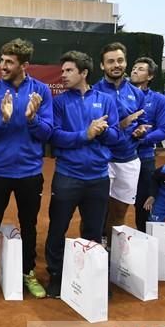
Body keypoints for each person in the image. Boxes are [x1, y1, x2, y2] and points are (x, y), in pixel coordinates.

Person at [0, 39, 53, 300]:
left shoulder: (41, 91)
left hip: (30, 173)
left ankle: (28, 272)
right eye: (2, 60)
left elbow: (47, 133)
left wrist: (32, 118)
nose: (2, 66)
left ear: (24, 65)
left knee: (29, 225)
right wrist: (2, 119)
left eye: (9, 62)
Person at [45, 50, 119, 298]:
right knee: (57, 228)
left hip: (98, 178)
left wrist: (103, 131)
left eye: (69, 70)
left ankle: (91, 277)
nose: (63, 75)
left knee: (94, 231)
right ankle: (55, 276)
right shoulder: (59, 102)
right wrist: (85, 134)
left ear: (84, 73)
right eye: (62, 70)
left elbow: (116, 136)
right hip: (67, 176)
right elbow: (54, 136)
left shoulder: (106, 100)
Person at [92, 42, 148, 244]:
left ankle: (111, 254)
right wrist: (123, 125)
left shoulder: (137, 93)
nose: (116, 65)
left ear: (125, 62)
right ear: (102, 65)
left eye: (120, 60)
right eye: (110, 61)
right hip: (101, 161)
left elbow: (142, 121)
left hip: (129, 160)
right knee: (95, 213)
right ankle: (91, 251)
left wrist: (141, 132)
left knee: (119, 212)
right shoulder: (93, 92)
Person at [130, 57, 165, 231]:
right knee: (110, 202)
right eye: (133, 67)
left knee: (143, 202)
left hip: (144, 157)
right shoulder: (117, 95)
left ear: (150, 76)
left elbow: (163, 130)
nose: (134, 71)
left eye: (140, 69)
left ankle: (142, 237)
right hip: (116, 157)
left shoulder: (159, 100)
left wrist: (141, 138)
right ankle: (105, 240)